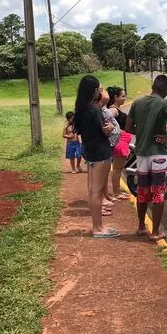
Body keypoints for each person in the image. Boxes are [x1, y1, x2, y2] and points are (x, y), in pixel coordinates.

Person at [126, 74, 167, 240]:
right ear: (166, 89)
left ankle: (141, 226)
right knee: (158, 193)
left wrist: (142, 133)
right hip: (158, 154)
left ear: (153, 86)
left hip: (141, 153)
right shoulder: (164, 103)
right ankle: (156, 231)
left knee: (142, 192)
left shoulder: (137, 102)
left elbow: (128, 127)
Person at [73, 75, 119, 238]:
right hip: (100, 152)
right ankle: (99, 228)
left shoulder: (81, 108)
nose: (100, 92)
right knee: (97, 192)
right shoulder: (94, 109)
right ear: (94, 91)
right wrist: (112, 126)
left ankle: (97, 226)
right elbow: (107, 130)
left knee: (93, 190)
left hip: (90, 152)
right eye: (99, 89)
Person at [106, 86, 132, 202]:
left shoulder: (116, 109)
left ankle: (117, 191)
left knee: (119, 168)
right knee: (117, 169)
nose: (124, 98)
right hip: (120, 143)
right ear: (115, 97)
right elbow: (106, 118)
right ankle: (116, 193)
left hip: (122, 142)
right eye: (122, 96)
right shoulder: (114, 110)